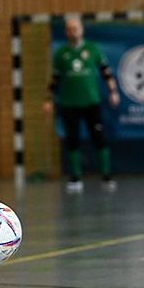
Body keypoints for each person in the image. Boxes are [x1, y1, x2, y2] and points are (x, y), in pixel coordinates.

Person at [43, 15, 121, 192]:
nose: (73, 31)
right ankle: (76, 177)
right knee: (72, 140)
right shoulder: (61, 54)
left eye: (76, 28)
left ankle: (106, 175)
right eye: (69, 29)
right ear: (66, 32)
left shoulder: (92, 49)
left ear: (82, 29)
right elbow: (55, 80)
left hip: (91, 102)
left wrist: (113, 91)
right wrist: (48, 100)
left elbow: (106, 72)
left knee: (98, 137)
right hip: (70, 103)